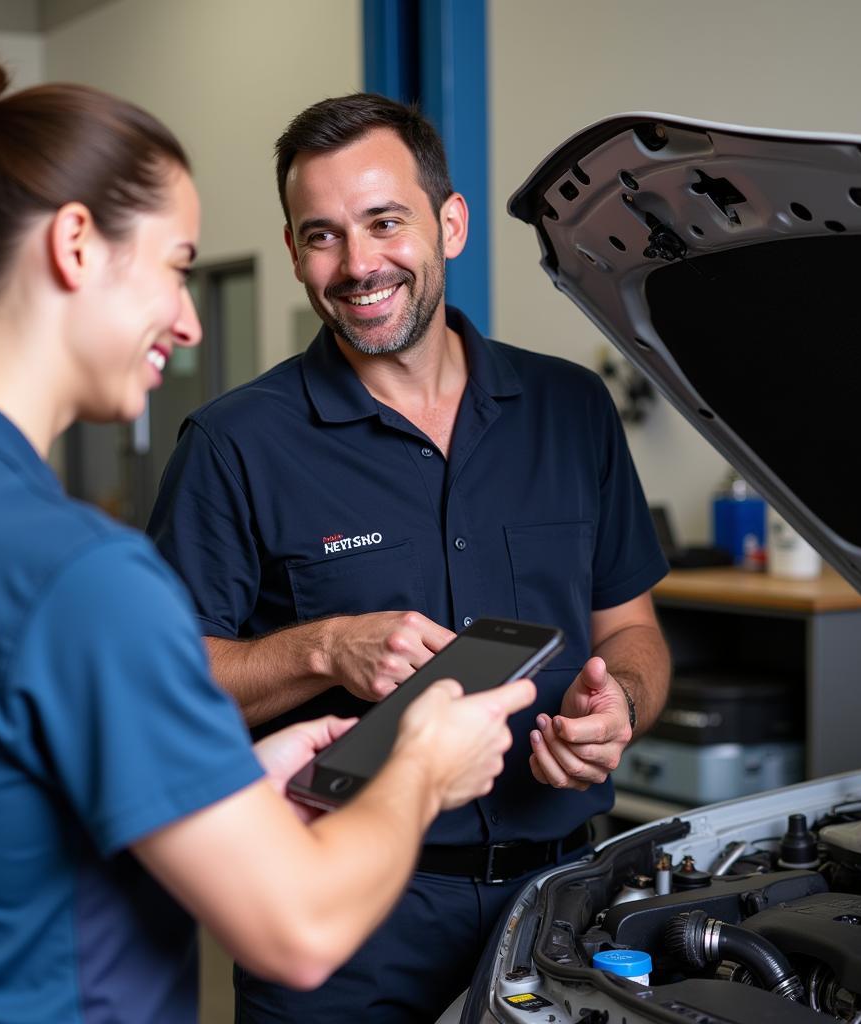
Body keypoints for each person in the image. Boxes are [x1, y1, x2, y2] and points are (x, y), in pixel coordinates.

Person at [0, 50, 538, 1024]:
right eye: (177, 268)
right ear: (76, 245)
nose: (185, 321)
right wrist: (425, 765)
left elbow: (0, 805)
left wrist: (223, 780)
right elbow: (296, 929)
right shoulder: (81, 574)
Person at [147, 93, 672, 1021]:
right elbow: (164, 685)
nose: (358, 266)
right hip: (345, 919)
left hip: (556, 906)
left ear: (451, 224)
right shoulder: (235, 443)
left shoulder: (571, 410)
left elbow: (630, 628)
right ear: (293, 250)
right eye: (323, 236)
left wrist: (618, 707)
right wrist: (323, 648)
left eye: (386, 222)